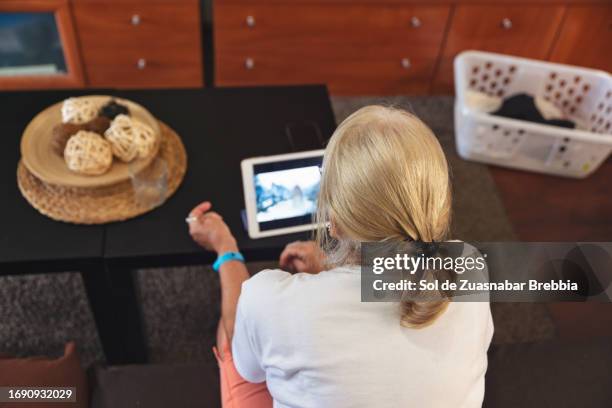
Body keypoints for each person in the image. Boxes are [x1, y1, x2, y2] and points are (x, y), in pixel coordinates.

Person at [188, 106, 493, 408]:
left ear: (333, 222)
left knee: (231, 336)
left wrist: (225, 249)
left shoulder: (268, 300)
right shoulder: (469, 265)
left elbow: (249, 370)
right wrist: (331, 267)